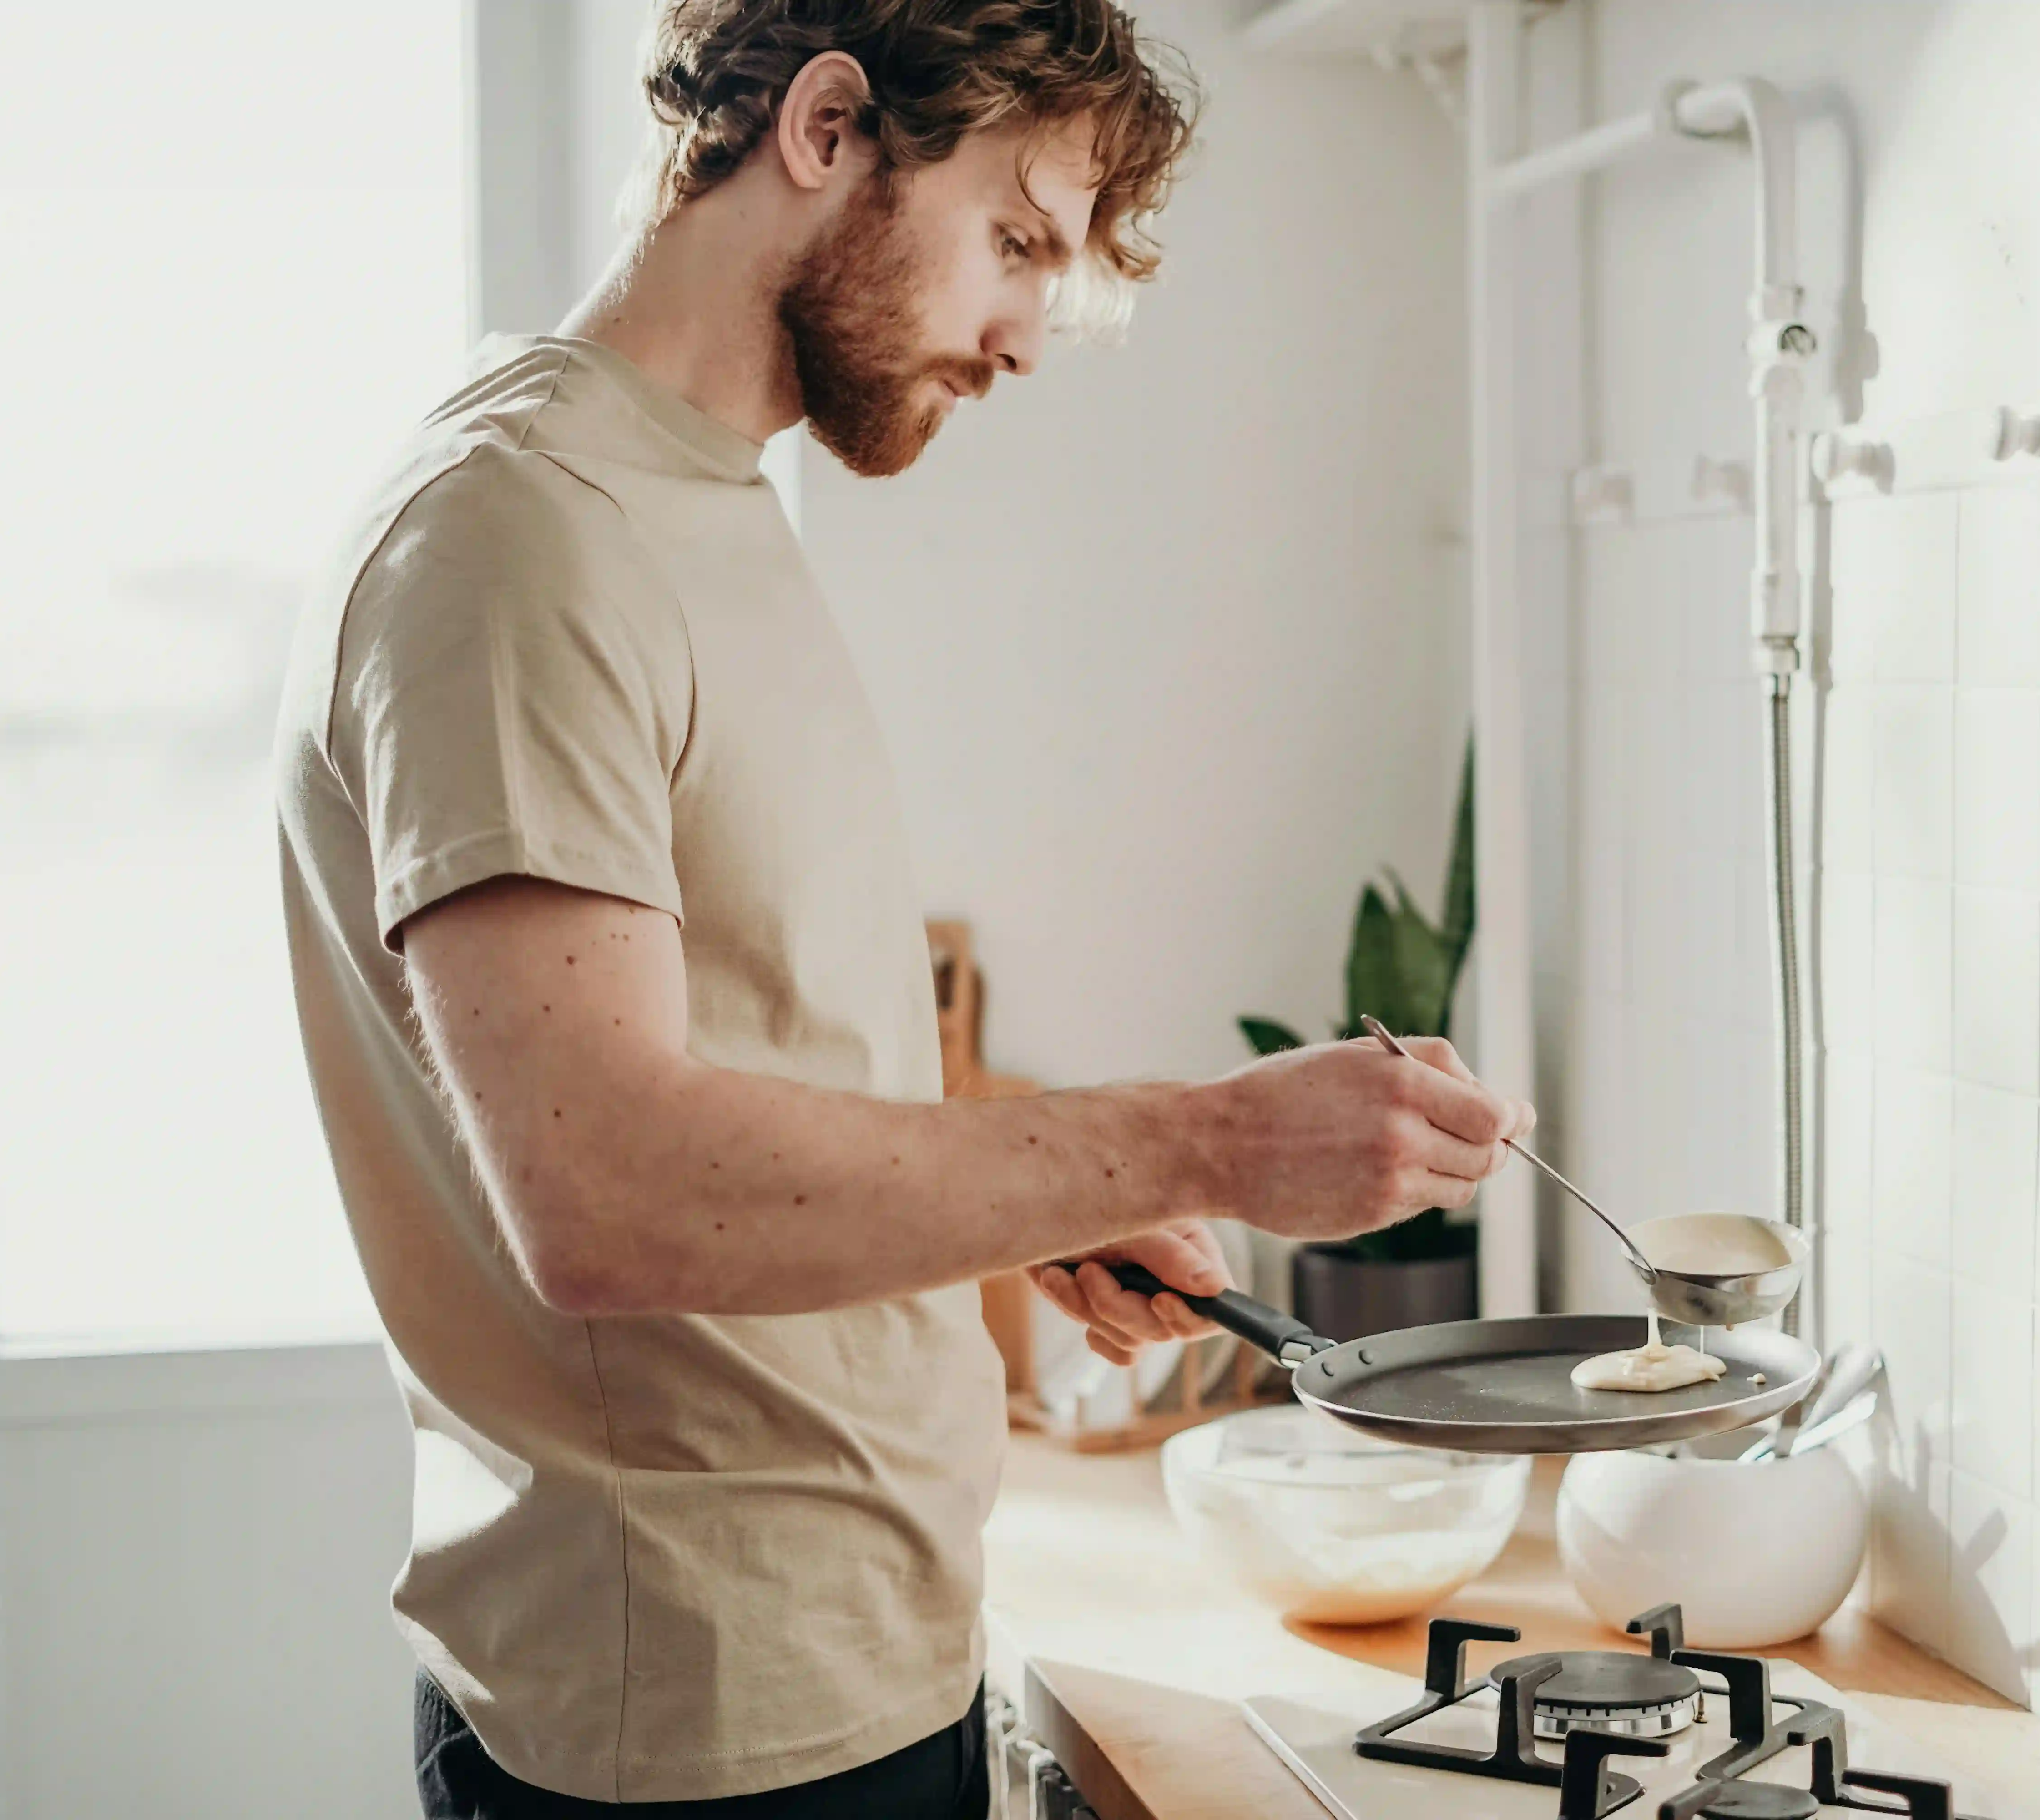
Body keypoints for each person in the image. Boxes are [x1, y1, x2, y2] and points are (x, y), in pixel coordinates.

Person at [271, 3, 1531, 1814]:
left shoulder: (689, 502)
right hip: (698, 1733)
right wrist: (1200, 1142)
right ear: (828, 126)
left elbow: (743, 1061)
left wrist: (1020, 1217)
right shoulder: (522, 538)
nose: (1027, 333)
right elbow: (608, 1192)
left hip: (846, 1666)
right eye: (1016, 238)